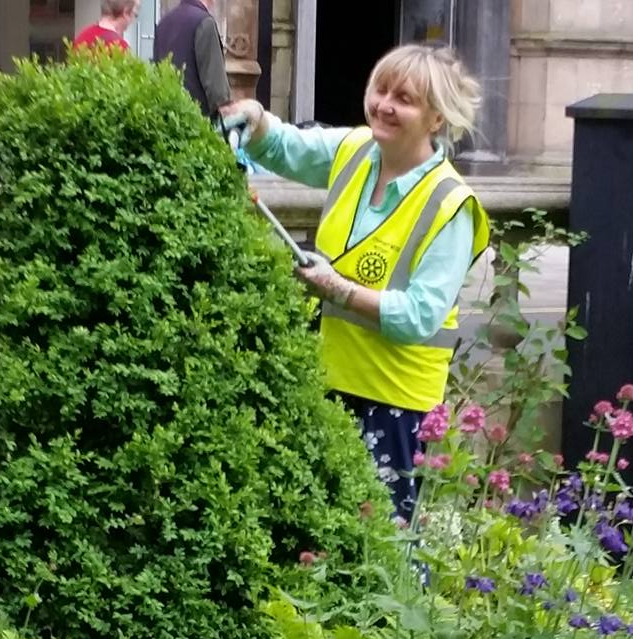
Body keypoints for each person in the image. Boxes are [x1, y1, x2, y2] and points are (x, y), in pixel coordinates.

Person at [223, 45, 490, 522]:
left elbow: (420, 315)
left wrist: (339, 289)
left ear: (435, 119)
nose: (384, 104)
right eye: (380, 89)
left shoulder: (451, 204)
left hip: (395, 405)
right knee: (316, 535)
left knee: (381, 553)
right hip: (325, 384)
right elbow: (286, 147)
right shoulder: (356, 150)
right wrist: (256, 118)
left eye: (404, 98)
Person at [153, 0, 232, 119]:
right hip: (197, 122)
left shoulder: (163, 24)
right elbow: (217, 91)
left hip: (168, 119)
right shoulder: (205, 23)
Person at [74, 0, 140, 51]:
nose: (133, 20)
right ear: (126, 13)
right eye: (135, 15)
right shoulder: (118, 46)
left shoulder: (82, 37)